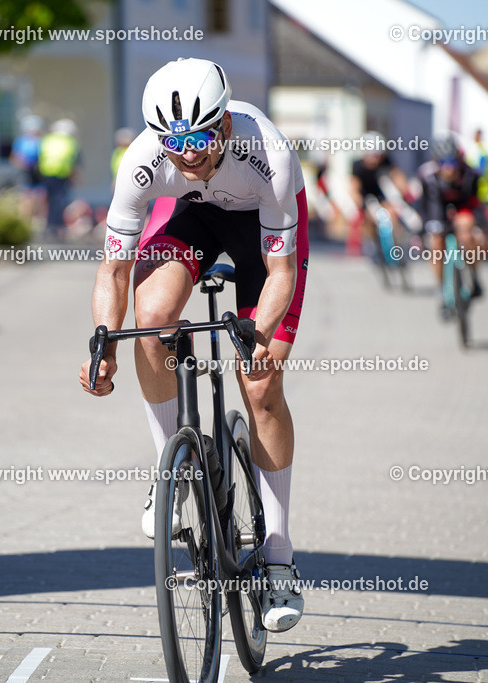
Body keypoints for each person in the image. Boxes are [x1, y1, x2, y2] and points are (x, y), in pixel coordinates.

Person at [78, 58, 308, 632]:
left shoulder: (270, 154)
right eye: (173, 141)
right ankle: (171, 473)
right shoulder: (143, 162)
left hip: (264, 232)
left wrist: (259, 333)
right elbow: (113, 271)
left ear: (225, 122)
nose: (187, 152)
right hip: (196, 217)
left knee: (260, 383)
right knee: (153, 319)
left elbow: (281, 272)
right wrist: (102, 343)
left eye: (201, 137)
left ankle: (277, 557)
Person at [419, 137, 485, 308]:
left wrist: (476, 226)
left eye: (452, 162)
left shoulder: (471, 175)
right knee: (436, 244)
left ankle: (473, 274)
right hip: (438, 208)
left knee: (466, 233)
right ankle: (441, 287)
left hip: (463, 208)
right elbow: (426, 206)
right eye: (443, 163)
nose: (448, 168)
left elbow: (476, 204)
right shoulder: (428, 177)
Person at [349, 131, 409, 260]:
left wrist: (402, 191)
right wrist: (357, 199)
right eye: (372, 155)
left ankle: (397, 245)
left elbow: (398, 177)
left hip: (383, 196)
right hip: (367, 197)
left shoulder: (386, 162)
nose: (375, 159)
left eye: (378, 155)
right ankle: (372, 244)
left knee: (392, 215)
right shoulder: (357, 166)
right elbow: (353, 186)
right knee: (369, 218)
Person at [38, 119, 81, 239]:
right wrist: (75, 176)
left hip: (46, 172)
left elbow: (40, 156)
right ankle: (57, 225)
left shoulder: (47, 139)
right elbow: (75, 161)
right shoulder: (71, 142)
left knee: (49, 200)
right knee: (60, 201)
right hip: (62, 174)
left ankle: (49, 224)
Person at [11, 115, 45, 219]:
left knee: (39, 196)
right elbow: (14, 158)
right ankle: (25, 219)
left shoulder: (40, 141)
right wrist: (23, 165)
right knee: (26, 196)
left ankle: (36, 218)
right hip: (26, 173)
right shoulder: (22, 141)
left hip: (37, 173)